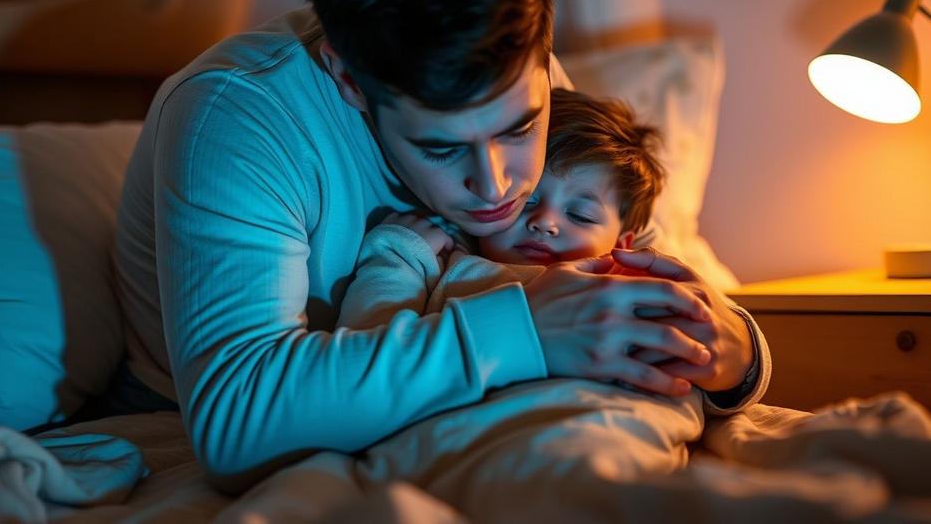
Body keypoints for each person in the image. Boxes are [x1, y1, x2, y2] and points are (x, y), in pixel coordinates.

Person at [112, 0, 762, 492]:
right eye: (442, 147)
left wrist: (737, 354)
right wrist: (525, 332)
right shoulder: (234, 118)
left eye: (519, 128)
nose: (498, 185)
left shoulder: (507, 58)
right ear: (347, 81)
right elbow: (238, 427)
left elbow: (608, 270)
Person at [330, 88, 770, 497]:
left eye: (580, 214)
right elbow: (368, 346)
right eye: (527, 200)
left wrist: (740, 361)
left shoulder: (631, 283)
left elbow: (718, 359)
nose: (545, 222)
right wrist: (400, 255)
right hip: (473, 452)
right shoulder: (449, 269)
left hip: (612, 444)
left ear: (624, 243)